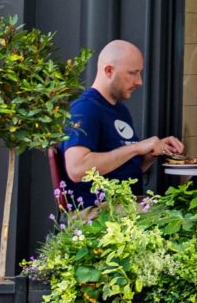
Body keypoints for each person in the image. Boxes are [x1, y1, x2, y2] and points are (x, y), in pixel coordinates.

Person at [60, 40, 183, 209]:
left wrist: (151, 152)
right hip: (96, 213)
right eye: (133, 73)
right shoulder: (85, 109)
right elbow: (77, 169)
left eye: (140, 73)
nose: (139, 81)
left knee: (185, 207)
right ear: (109, 71)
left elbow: (125, 168)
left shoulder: (120, 110)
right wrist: (136, 148)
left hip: (127, 206)